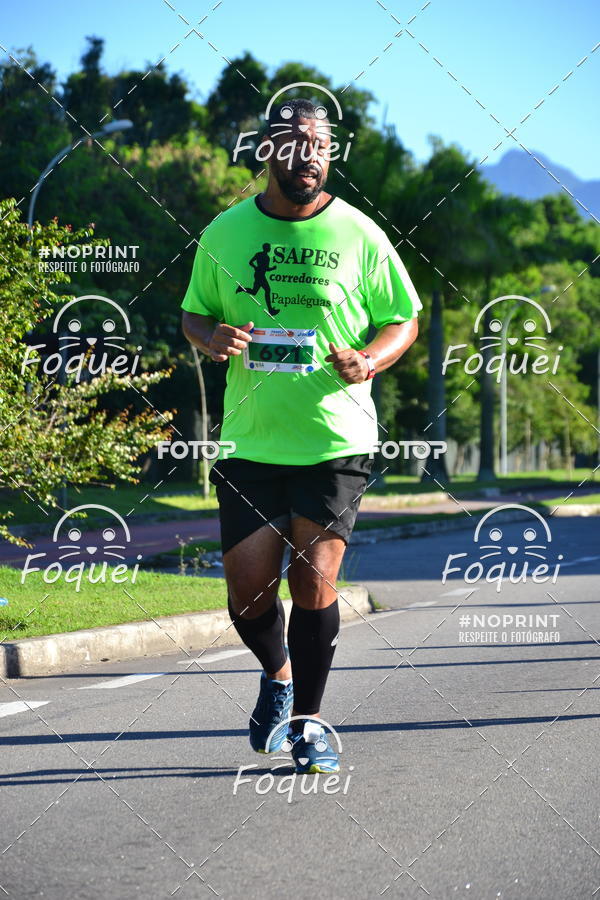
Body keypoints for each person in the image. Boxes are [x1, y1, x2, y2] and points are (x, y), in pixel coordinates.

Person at [181, 98, 421, 774]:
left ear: (329, 153)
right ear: (266, 151)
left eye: (318, 144)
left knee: (316, 581)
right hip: (252, 441)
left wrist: (370, 358)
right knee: (249, 595)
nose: (307, 155)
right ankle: (278, 673)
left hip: (334, 440)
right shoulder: (224, 233)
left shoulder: (360, 234)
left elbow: (402, 317)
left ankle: (310, 722)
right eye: (292, 143)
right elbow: (192, 315)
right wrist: (211, 337)